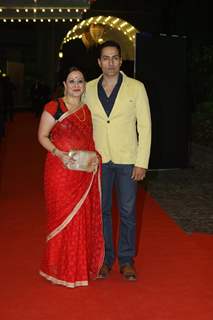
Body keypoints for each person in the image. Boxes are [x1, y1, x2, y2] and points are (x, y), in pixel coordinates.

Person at [84, 40, 151, 281]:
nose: (110, 62)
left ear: (121, 61)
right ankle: (105, 259)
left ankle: (126, 260)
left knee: (128, 210)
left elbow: (145, 126)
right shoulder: (88, 89)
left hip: (127, 159)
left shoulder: (136, 87)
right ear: (99, 62)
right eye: (105, 58)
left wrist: (141, 161)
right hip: (99, 160)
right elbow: (82, 124)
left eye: (115, 58)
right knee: (102, 212)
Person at [38, 67, 104, 288]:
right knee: (61, 217)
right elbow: (42, 136)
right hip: (60, 171)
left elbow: (88, 141)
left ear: (84, 85)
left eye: (80, 81)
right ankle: (56, 269)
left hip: (83, 173)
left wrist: (95, 158)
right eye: (72, 81)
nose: (76, 85)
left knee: (80, 219)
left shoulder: (86, 109)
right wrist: (60, 154)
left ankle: (76, 268)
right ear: (64, 84)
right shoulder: (54, 107)